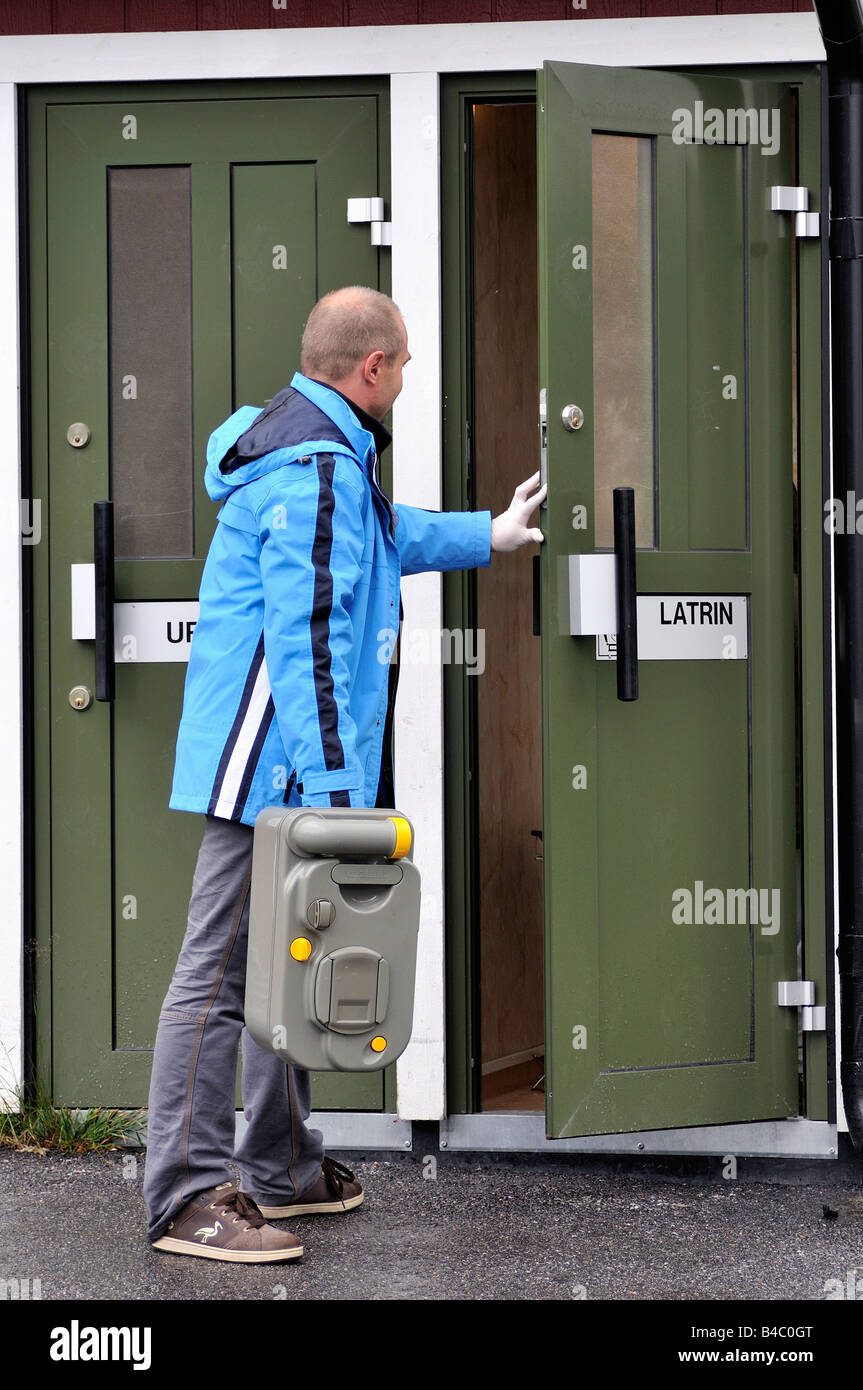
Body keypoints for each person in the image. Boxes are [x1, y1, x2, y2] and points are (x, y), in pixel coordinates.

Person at [142, 285, 546, 1263]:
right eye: (402, 363)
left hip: (289, 766)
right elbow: (310, 645)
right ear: (371, 369)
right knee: (220, 978)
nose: (403, 379)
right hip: (270, 772)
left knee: (295, 962)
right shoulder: (313, 470)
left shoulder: (318, 458)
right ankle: (183, 1194)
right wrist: (331, 799)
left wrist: (483, 533)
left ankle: (279, 1165)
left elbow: (379, 535)